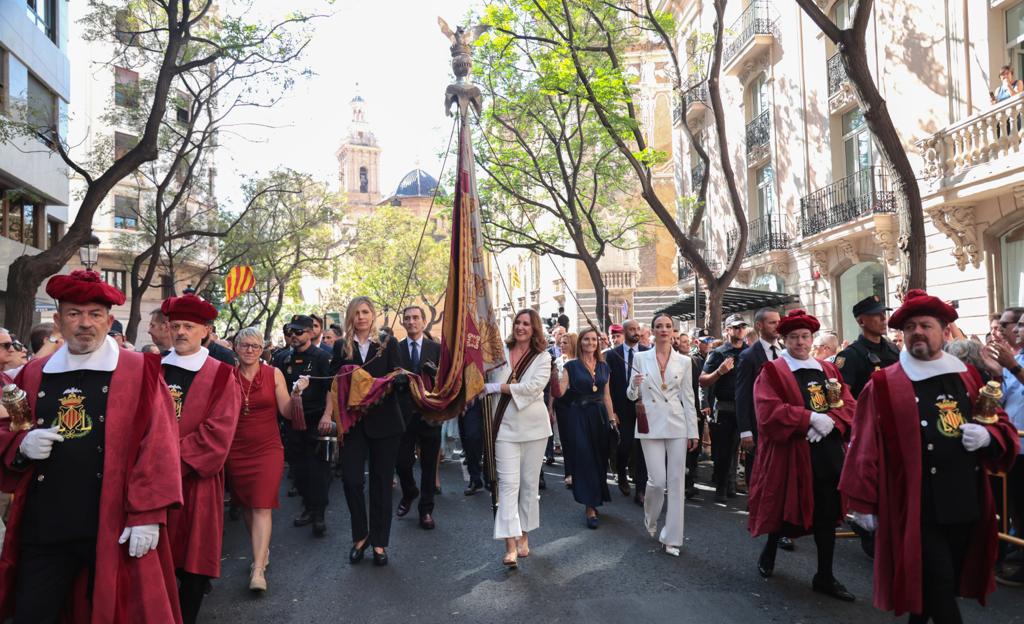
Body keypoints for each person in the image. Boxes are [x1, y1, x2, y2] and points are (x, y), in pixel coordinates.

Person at [0, 270, 182, 623]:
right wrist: (22, 446)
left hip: (112, 523)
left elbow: (159, 444)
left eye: (95, 314)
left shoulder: (138, 370)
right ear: (58, 321)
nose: (85, 323)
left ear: (109, 320)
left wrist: (147, 514)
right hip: (46, 523)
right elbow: (8, 428)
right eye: (74, 313)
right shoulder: (34, 373)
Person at [841, 290, 1020, 622]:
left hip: (965, 502)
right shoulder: (882, 384)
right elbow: (863, 445)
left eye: (926, 325)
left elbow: (1000, 423)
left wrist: (987, 435)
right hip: (915, 507)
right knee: (939, 585)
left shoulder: (967, 376)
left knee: (934, 590)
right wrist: (862, 502)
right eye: (910, 327)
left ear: (945, 331)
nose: (917, 332)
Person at [749, 309, 856, 602]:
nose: (800, 342)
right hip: (793, 453)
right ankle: (771, 547)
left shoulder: (829, 370)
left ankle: (824, 575)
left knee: (826, 514)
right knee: (786, 507)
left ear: (812, 339)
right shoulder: (773, 371)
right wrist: (808, 419)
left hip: (827, 452)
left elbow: (848, 402)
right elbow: (767, 412)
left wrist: (831, 421)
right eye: (794, 337)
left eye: (805, 336)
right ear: (784, 340)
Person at [159, 294, 240, 624]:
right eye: (175, 325)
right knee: (154, 561)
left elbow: (217, 435)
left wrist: (166, 465)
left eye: (188, 327)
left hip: (196, 485)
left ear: (205, 330)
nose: (180, 332)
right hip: (152, 485)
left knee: (192, 568)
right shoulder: (152, 368)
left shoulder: (222, 375)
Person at [228, 327, 304, 592]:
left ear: (263, 350)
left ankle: (257, 569)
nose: (250, 350)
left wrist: (295, 397)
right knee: (247, 505)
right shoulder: (226, 376)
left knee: (261, 505)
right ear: (235, 347)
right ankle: (262, 551)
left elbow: (285, 411)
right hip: (235, 450)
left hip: (267, 449)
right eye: (245, 345)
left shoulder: (274, 374)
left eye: (256, 346)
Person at [331, 297, 405, 566]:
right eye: (356, 313)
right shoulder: (341, 345)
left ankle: (380, 543)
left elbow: (400, 375)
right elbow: (334, 381)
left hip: (386, 423)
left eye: (365, 312)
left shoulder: (388, 342)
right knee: (351, 480)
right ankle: (360, 535)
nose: (361, 317)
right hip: (353, 424)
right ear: (350, 317)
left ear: (373, 315)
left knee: (381, 484)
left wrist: (396, 381)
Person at [483, 309, 552, 568]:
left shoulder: (543, 357)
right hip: (504, 427)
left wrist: (498, 388)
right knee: (508, 485)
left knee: (528, 485)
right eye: (517, 323)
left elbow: (534, 388)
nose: (521, 327)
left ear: (534, 328)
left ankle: (524, 536)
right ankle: (509, 544)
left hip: (534, 429)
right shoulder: (499, 353)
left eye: (526, 323)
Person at [627, 314, 699, 556]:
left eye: (668, 326)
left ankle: (672, 538)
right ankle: (650, 517)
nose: (664, 330)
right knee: (657, 481)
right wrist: (635, 384)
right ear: (653, 330)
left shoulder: (685, 361)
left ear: (673, 331)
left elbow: (689, 398)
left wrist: (693, 431)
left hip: (677, 423)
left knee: (677, 482)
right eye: (659, 326)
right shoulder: (639, 357)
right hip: (649, 423)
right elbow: (630, 395)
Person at [276, 314, 332, 536]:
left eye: (298, 332)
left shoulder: (321, 357)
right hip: (291, 422)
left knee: (317, 469)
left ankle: (319, 513)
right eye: (290, 332)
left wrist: (327, 416)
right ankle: (308, 507)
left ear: (310, 333)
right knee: (298, 470)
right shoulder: (282, 358)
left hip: (315, 420)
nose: (293, 336)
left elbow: (330, 389)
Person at [555, 327, 616, 528]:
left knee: (599, 459)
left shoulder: (603, 366)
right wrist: (552, 379)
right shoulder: (570, 366)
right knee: (585, 458)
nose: (590, 343)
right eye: (586, 339)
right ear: (580, 342)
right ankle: (589, 507)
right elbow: (561, 391)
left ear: (598, 343)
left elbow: (606, 395)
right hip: (578, 417)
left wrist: (612, 419)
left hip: (599, 417)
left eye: (593, 340)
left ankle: (596, 498)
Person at [396, 306, 443, 530]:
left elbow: (445, 380)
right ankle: (409, 491)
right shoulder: (395, 349)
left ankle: (426, 510)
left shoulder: (437, 348)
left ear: (423, 322)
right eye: (407, 318)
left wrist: (433, 372)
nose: (412, 321)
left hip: (430, 415)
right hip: (403, 416)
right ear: (403, 323)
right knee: (402, 462)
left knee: (428, 465)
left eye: (416, 318)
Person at [700, 314, 747, 503]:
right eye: (735, 327)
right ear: (727, 330)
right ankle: (721, 485)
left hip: (743, 408)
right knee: (722, 451)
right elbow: (703, 381)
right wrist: (719, 372)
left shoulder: (749, 352)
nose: (740, 330)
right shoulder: (718, 353)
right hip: (724, 408)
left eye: (742, 327)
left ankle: (732, 483)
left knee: (739, 448)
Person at [735, 308, 781, 498]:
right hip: (757, 424)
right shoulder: (748, 356)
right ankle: (756, 502)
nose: (777, 326)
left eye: (778, 321)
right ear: (759, 326)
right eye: (772, 322)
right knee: (756, 468)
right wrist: (745, 431)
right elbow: (742, 395)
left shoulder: (786, 352)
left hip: (782, 423)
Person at [606, 319, 649, 504]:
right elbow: (608, 386)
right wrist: (613, 411)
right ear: (624, 332)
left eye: (637, 329)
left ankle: (641, 489)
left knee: (642, 448)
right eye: (631, 329)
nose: (635, 332)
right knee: (624, 445)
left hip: (644, 407)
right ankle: (621, 471)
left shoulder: (648, 352)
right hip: (622, 407)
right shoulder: (612, 355)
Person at [836, 296, 902, 399]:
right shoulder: (849, 355)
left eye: (884, 313)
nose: (883, 318)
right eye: (876, 314)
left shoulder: (894, 349)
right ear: (861, 321)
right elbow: (842, 398)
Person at [552, 332, 577, 488]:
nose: (562, 346)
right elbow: (554, 388)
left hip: (577, 402)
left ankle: (579, 471)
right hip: (562, 403)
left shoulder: (580, 361)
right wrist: (550, 407)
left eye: (565, 343)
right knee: (567, 440)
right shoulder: (558, 361)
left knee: (578, 439)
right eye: (560, 343)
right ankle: (569, 473)